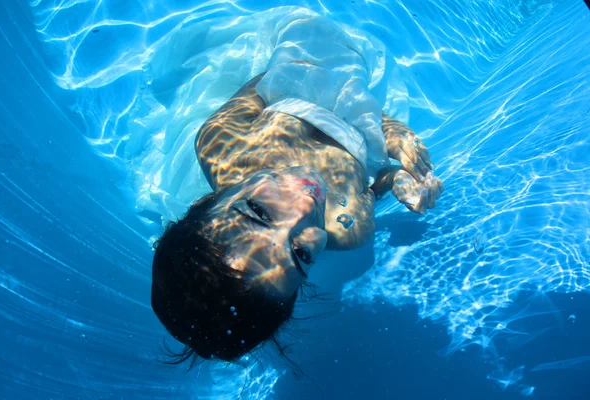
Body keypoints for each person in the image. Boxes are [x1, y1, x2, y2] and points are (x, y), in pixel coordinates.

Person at [150, 65, 443, 364]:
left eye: (259, 211)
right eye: (301, 254)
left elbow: (277, 74)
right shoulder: (349, 228)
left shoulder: (220, 143)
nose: (304, 208)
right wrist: (397, 177)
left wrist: (388, 128)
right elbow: (373, 183)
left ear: (208, 201)